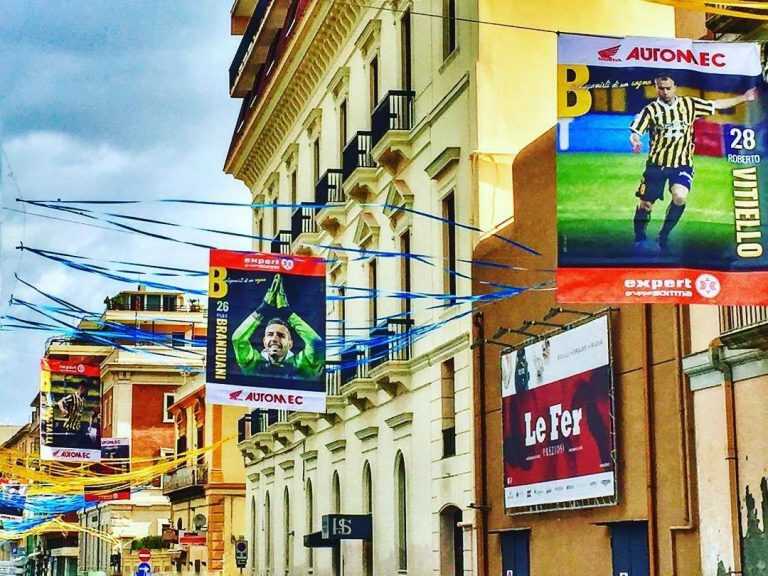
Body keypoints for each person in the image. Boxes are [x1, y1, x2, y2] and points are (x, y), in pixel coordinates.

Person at [630, 76, 757, 253]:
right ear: (656, 88)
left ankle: (663, 236)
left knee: (680, 197)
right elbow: (636, 130)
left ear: (675, 87)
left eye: (668, 88)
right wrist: (635, 141)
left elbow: (716, 105)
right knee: (645, 205)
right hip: (656, 166)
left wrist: (743, 98)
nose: (665, 92)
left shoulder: (689, 105)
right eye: (661, 89)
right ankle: (639, 237)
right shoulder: (650, 110)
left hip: (682, 164)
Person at [232, 273, 324, 379]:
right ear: (264, 341)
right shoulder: (255, 364)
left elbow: (317, 344)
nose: (275, 338)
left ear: (290, 344)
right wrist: (262, 310)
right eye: (270, 334)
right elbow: (238, 339)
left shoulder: (300, 364)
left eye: (281, 335)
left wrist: (288, 314)